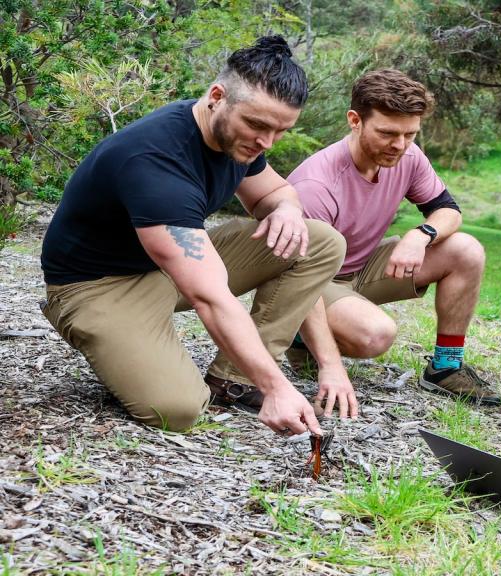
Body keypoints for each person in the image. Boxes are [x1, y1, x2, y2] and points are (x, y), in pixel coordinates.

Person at [39, 36, 346, 437]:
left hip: (165, 265)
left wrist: (287, 208)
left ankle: (234, 380)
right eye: (257, 125)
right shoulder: (156, 160)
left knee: (320, 242)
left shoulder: (236, 139)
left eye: (280, 131)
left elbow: (274, 192)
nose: (266, 142)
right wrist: (278, 387)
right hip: (99, 287)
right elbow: (210, 298)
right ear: (217, 97)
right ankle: (251, 378)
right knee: (176, 409)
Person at [287, 69, 496, 414]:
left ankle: (445, 367)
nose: (399, 145)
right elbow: (298, 278)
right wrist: (331, 366)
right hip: (313, 281)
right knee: (375, 335)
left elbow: (448, 211)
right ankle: (299, 338)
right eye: (386, 133)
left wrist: (421, 234)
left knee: (466, 250)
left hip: (361, 268)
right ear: (355, 121)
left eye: (409, 134)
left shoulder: (407, 157)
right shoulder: (316, 185)